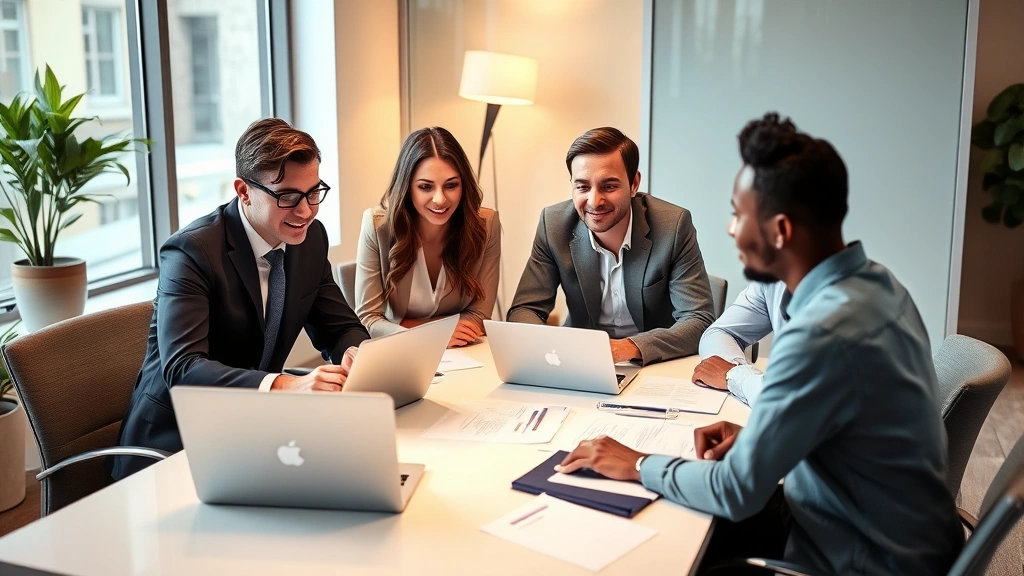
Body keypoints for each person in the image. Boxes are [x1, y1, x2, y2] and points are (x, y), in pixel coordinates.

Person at [556, 113, 963, 575]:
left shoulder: (820, 333)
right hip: (873, 521)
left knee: (657, 553)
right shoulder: (877, 285)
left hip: (855, 555)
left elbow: (735, 491)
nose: (731, 231)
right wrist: (761, 438)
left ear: (780, 230)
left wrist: (638, 463)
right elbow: (854, 426)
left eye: (737, 213)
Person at [109, 119, 370, 481]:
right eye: (287, 197)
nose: (306, 211)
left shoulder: (308, 239)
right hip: (174, 446)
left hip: (254, 433)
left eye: (313, 193)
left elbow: (339, 326)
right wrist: (285, 385)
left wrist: (356, 355)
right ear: (243, 190)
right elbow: (183, 368)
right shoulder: (192, 251)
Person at [506, 127, 715, 365]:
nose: (594, 201)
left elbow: (699, 319)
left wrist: (627, 348)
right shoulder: (553, 225)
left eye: (609, 186)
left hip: (654, 362)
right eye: (583, 187)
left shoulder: (673, 226)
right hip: (579, 361)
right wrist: (552, 349)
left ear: (634, 184)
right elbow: (524, 310)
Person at [355, 126, 501, 347]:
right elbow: (368, 320)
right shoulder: (378, 227)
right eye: (425, 187)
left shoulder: (486, 225)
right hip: (402, 353)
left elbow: (480, 316)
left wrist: (410, 324)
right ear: (407, 187)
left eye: (451, 185)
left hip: (463, 354)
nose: (440, 199)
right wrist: (436, 333)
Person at [692, 280, 787, 406]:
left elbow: (793, 399)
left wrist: (738, 377)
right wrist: (739, 372)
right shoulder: (771, 281)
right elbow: (718, 332)